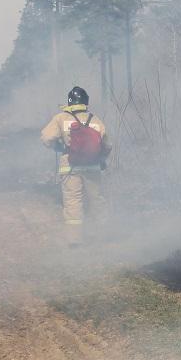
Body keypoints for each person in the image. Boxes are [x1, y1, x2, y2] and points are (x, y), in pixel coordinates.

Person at [40, 86, 111, 246]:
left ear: (70, 101)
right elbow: (107, 145)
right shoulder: (95, 119)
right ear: (86, 102)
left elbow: (46, 137)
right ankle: (102, 235)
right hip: (93, 166)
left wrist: (58, 147)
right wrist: (101, 158)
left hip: (70, 167)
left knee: (73, 201)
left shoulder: (61, 118)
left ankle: (74, 240)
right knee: (96, 199)